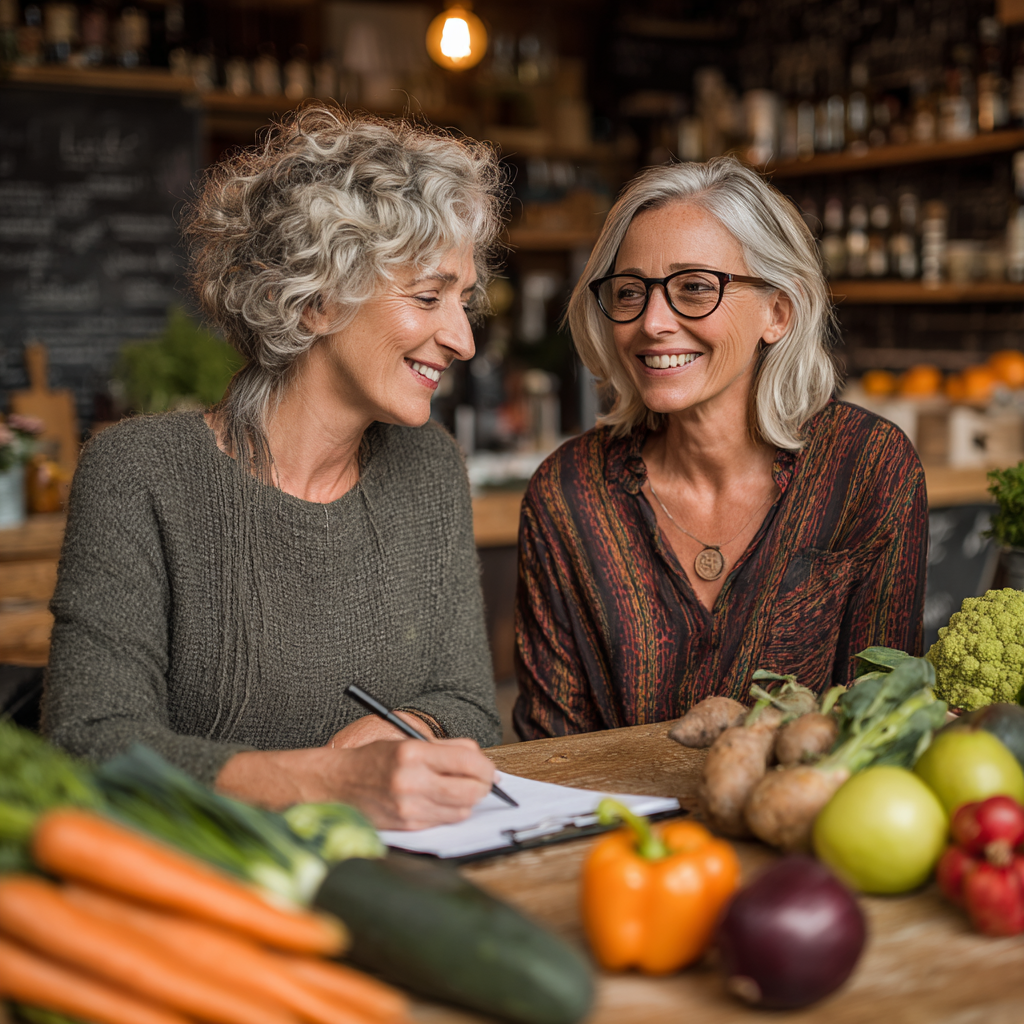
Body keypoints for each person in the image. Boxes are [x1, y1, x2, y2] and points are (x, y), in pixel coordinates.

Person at [44, 107, 506, 829]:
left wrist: (409, 727)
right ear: (317, 298)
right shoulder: (138, 475)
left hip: (389, 884)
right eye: (428, 296)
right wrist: (323, 779)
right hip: (195, 886)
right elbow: (87, 744)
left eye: (464, 300)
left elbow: (472, 706)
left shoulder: (429, 468)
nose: (463, 339)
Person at [514, 157, 927, 740]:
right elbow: (549, 751)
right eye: (630, 292)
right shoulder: (569, 492)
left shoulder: (867, 466)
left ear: (776, 312)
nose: (653, 322)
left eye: (695, 288)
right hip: (618, 830)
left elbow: (883, 722)